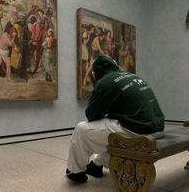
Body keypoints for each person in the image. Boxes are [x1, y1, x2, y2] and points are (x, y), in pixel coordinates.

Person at [66, 55, 165, 183]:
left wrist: (97, 85)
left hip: (139, 131)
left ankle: (75, 172)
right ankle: (96, 165)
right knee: (110, 129)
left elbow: (91, 115)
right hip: (158, 129)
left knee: (81, 129)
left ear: (95, 73)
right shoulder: (132, 76)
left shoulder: (105, 82)